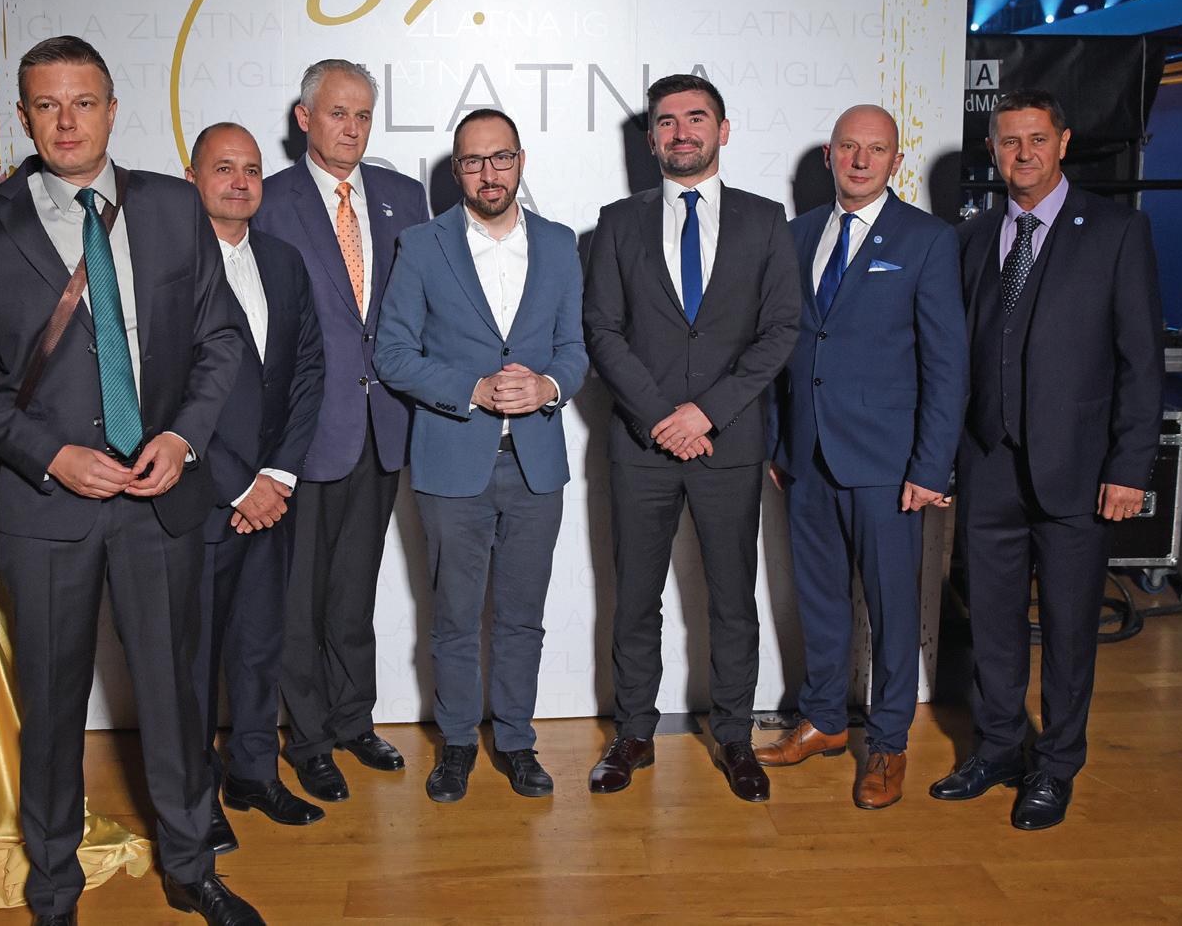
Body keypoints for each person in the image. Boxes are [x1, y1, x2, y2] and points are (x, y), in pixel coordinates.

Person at [0, 36, 263, 924]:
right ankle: (53, 887)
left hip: (160, 499)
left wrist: (184, 438)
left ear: (113, 110)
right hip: (49, 506)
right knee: (51, 708)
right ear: (23, 117)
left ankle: (192, 866)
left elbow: (220, 340)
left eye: (83, 103)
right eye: (47, 106)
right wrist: (49, 454)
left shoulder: (171, 206)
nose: (66, 122)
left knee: (176, 695)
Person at [929, 89, 1163, 830]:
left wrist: (1128, 468)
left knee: (1067, 628)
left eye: (1036, 139)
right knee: (993, 624)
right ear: (993, 151)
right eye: (1009, 141)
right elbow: (957, 357)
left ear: (1063, 143)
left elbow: (1141, 362)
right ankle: (999, 748)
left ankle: (1056, 766)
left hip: (1081, 470)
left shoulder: (1117, 231)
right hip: (988, 463)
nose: (1022, 153)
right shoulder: (972, 237)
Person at [582, 74, 800, 802]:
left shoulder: (766, 220)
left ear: (722, 130)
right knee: (634, 597)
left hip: (728, 442)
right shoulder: (617, 223)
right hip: (640, 445)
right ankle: (633, 733)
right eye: (667, 122)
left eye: (696, 118)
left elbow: (780, 331)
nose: (682, 132)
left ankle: (735, 736)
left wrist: (706, 413)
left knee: (734, 598)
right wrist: (660, 417)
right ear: (651, 139)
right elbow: (602, 331)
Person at [756, 105, 968, 809]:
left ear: (895, 161)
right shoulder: (797, 235)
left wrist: (930, 467)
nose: (859, 160)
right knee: (818, 598)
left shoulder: (928, 240)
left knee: (892, 609)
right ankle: (823, 719)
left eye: (875, 150)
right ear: (829, 156)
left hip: (888, 464)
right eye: (848, 147)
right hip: (806, 455)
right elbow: (781, 347)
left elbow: (946, 364)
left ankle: (889, 743)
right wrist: (779, 441)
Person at [375, 108, 587, 803]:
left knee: (523, 616)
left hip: (535, 464)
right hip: (450, 462)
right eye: (473, 161)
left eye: (500, 158)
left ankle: (518, 742)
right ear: (456, 170)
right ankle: (459, 744)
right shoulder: (421, 245)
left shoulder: (559, 244)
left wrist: (549, 385)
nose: (488, 173)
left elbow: (575, 349)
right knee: (455, 618)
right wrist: (470, 389)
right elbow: (392, 353)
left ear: (520, 161)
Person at [251, 59, 429, 802]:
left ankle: (355, 719)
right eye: (336, 113)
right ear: (304, 118)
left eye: (362, 115)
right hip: (302, 432)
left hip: (383, 425)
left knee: (355, 590)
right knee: (298, 599)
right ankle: (309, 739)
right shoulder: (269, 200)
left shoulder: (403, 196)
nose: (352, 128)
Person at [185, 122, 325, 851]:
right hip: (199, 499)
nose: (240, 182)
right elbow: (161, 397)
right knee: (193, 659)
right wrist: (239, 486)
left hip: (272, 496)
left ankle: (252, 774)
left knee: (259, 644)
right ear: (193, 177)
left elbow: (308, 370)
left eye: (251, 170)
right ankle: (195, 797)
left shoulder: (283, 259)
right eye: (224, 168)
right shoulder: (166, 267)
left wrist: (278, 475)